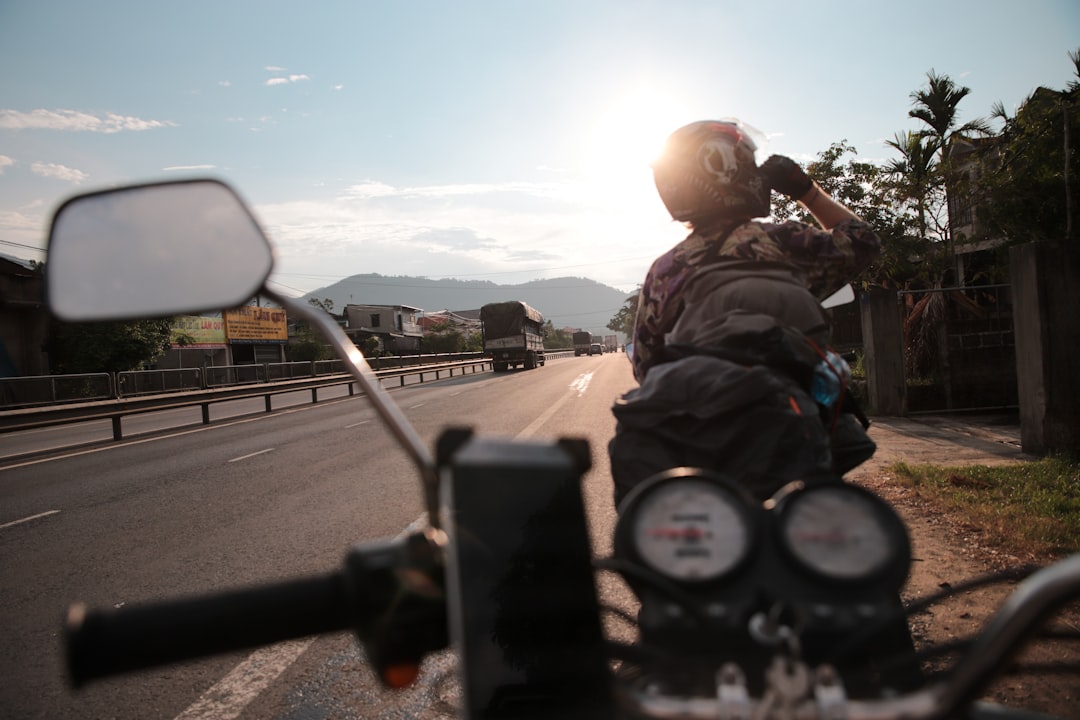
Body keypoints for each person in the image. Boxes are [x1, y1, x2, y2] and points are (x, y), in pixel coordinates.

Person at [610, 119, 882, 508]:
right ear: (735, 170)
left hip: (706, 435)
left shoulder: (669, 268)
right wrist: (806, 190)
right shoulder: (786, 242)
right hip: (798, 430)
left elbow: (648, 366)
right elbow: (863, 241)